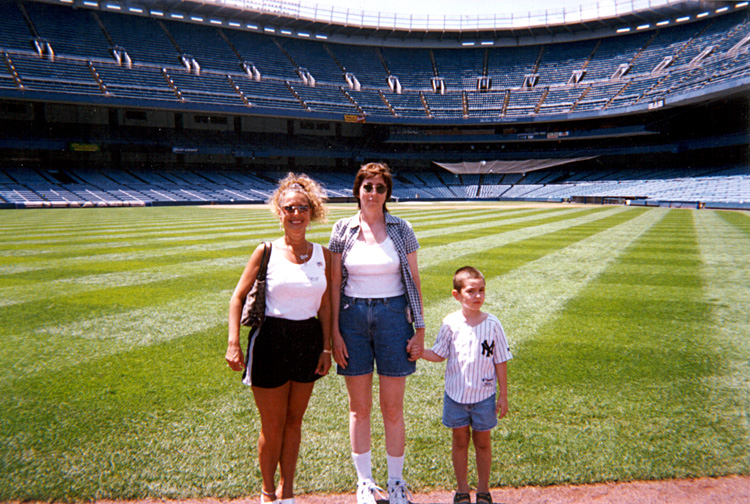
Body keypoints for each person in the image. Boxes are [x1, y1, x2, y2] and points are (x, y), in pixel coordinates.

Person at [226, 173, 333, 504]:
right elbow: (237, 297)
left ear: (311, 211)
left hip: (308, 339)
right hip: (271, 338)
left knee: (294, 423)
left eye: (302, 208)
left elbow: (326, 305)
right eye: (289, 208)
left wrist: (327, 346)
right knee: (272, 426)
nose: (296, 214)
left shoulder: (323, 255)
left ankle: (288, 493)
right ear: (280, 211)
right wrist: (233, 343)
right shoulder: (266, 251)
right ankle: (267, 492)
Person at [328, 162, 425, 504]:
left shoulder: (401, 228)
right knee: (359, 408)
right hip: (352, 318)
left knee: (393, 408)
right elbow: (334, 284)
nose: (372, 193)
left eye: (379, 188)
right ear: (357, 190)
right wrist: (334, 334)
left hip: (394, 316)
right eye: (367, 186)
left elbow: (413, 280)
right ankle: (365, 483)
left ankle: (396, 483)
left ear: (387, 193)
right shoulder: (342, 228)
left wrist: (420, 328)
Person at [422, 266, 512, 504]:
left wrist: (503, 395)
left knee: (483, 442)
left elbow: (500, 359)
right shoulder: (450, 323)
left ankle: (483, 490)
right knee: (460, 441)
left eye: (481, 290)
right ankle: (462, 489)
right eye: (471, 291)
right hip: (456, 396)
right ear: (457, 295)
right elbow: (439, 354)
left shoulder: (493, 324)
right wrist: (418, 351)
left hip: (484, 395)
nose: (478, 296)